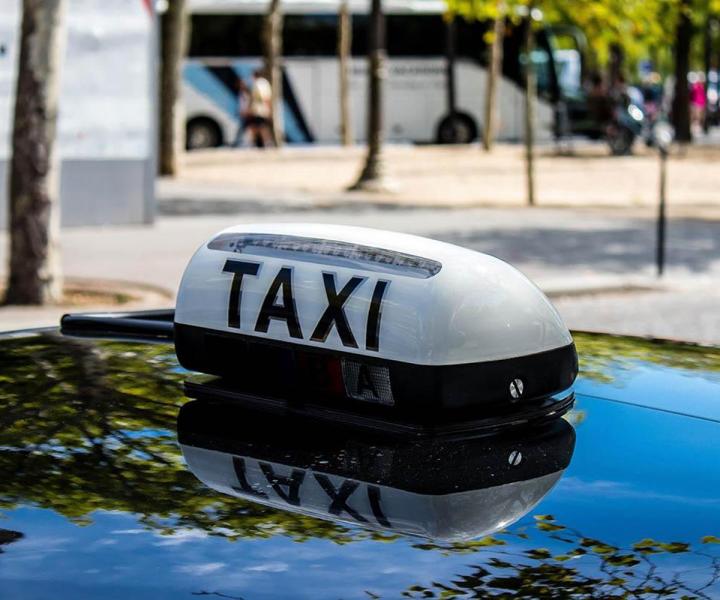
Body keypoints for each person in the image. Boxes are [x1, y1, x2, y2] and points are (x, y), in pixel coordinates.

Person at [247, 70, 274, 148]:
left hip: (258, 110)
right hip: (263, 109)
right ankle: (262, 142)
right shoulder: (265, 83)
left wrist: (250, 108)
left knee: (260, 127)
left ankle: (265, 142)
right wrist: (269, 109)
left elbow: (263, 98)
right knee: (260, 126)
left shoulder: (258, 83)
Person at [234, 78, 251, 147]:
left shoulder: (246, 93)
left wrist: (246, 111)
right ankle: (239, 142)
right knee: (242, 128)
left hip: (245, 113)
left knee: (244, 128)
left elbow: (247, 103)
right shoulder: (241, 93)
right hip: (242, 113)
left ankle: (242, 142)